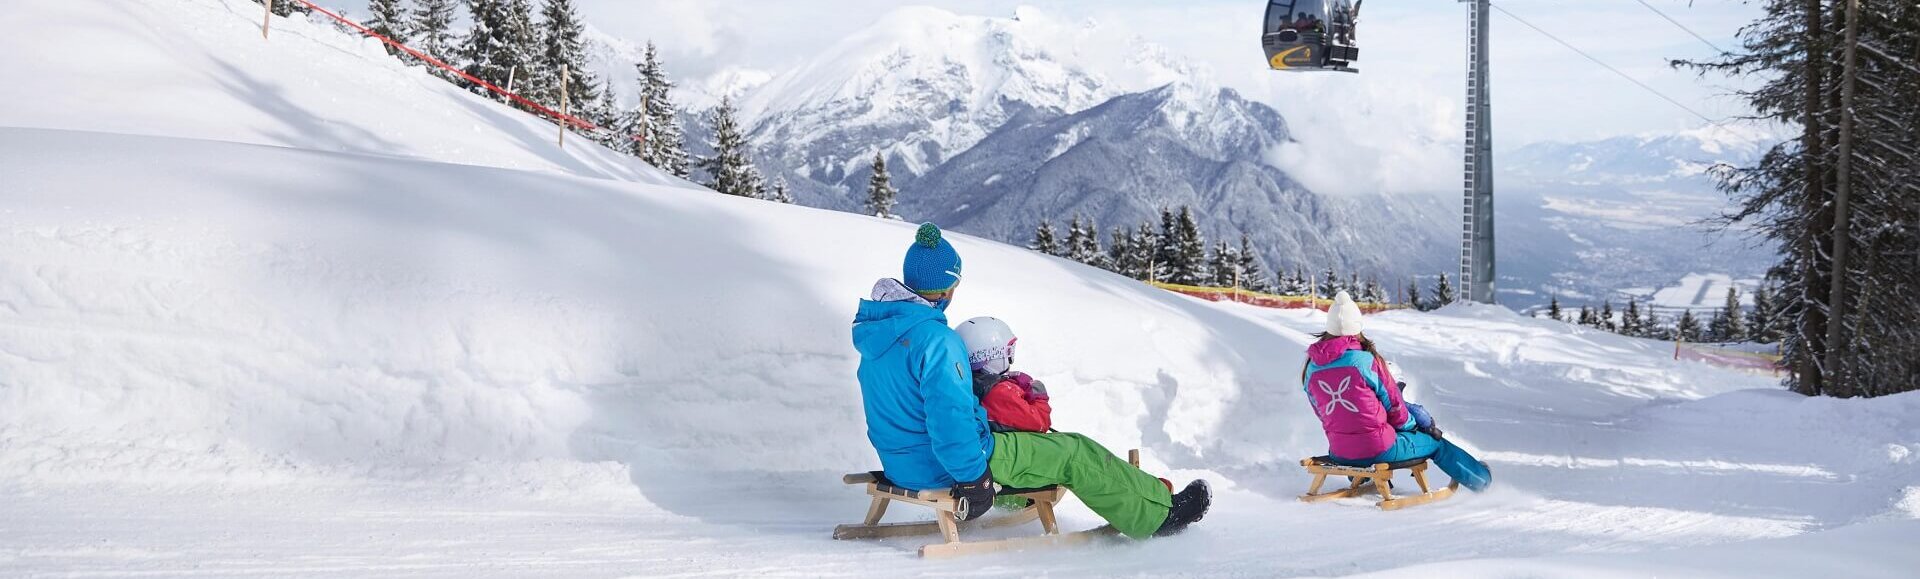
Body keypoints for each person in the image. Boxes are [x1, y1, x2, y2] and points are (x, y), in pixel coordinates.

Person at [852, 223, 1211, 539]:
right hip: (944, 466)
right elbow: (950, 420)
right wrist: (974, 478)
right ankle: (1158, 514)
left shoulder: (879, 338)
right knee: (1074, 452)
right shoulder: (937, 342)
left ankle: (1023, 493)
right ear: (947, 286)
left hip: (903, 464)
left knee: (1015, 435)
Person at [1301, 291, 1492, 491]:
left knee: (1359, 438)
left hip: (1339, 451)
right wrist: (1411, 426)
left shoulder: (1311, 368)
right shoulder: (1366, 362)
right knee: (1437, 444)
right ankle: (1482, 481)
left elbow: (1324, 414)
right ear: (1357, 328)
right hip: (1380, 448)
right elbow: (1394, 405)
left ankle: (1364, 478)